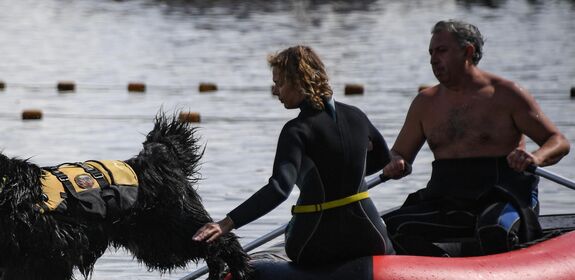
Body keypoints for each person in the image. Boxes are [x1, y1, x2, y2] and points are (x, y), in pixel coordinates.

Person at [382, 20, 570, 256]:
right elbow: (400, 153)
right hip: (447, 198)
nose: (433, 59)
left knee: (494, 230)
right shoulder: (424, 103)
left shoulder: (507, 94)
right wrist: (394, 161)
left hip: (504, 194)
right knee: (385, 229)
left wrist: (535, 157)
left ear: (468, 52)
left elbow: (558, 141)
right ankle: (445, 275)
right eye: (430, 52)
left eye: (441, 50)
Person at [193, 45, 393, 265]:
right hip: (370, 236)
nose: (275, 91)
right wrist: (345, 173)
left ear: (299, 82)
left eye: (279, 83)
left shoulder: (296, 130)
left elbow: (279, 189)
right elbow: (383, 159)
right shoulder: (357, 116)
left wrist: (226, 223)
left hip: (315, 240)